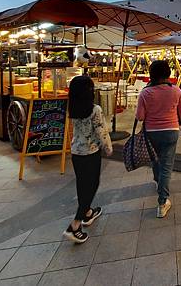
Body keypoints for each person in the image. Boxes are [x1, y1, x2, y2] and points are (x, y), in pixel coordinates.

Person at [136, 60, 181, 218]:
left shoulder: (145, 93)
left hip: (151, 132)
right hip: (171, 132)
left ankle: (159, 183)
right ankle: (162, 202)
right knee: (166, 165)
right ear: (168, 73)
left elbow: (140, 117)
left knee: (155, 160)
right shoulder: (176, 91)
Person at [64, 75, 113, 244]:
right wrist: (108, 147)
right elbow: (101, 132)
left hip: (76, 152)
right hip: (91, 152)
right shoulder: (95, 109)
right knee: (91, 186)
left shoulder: (73, 108)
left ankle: (87, 213)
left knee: (82, 184)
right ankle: (75, 225)